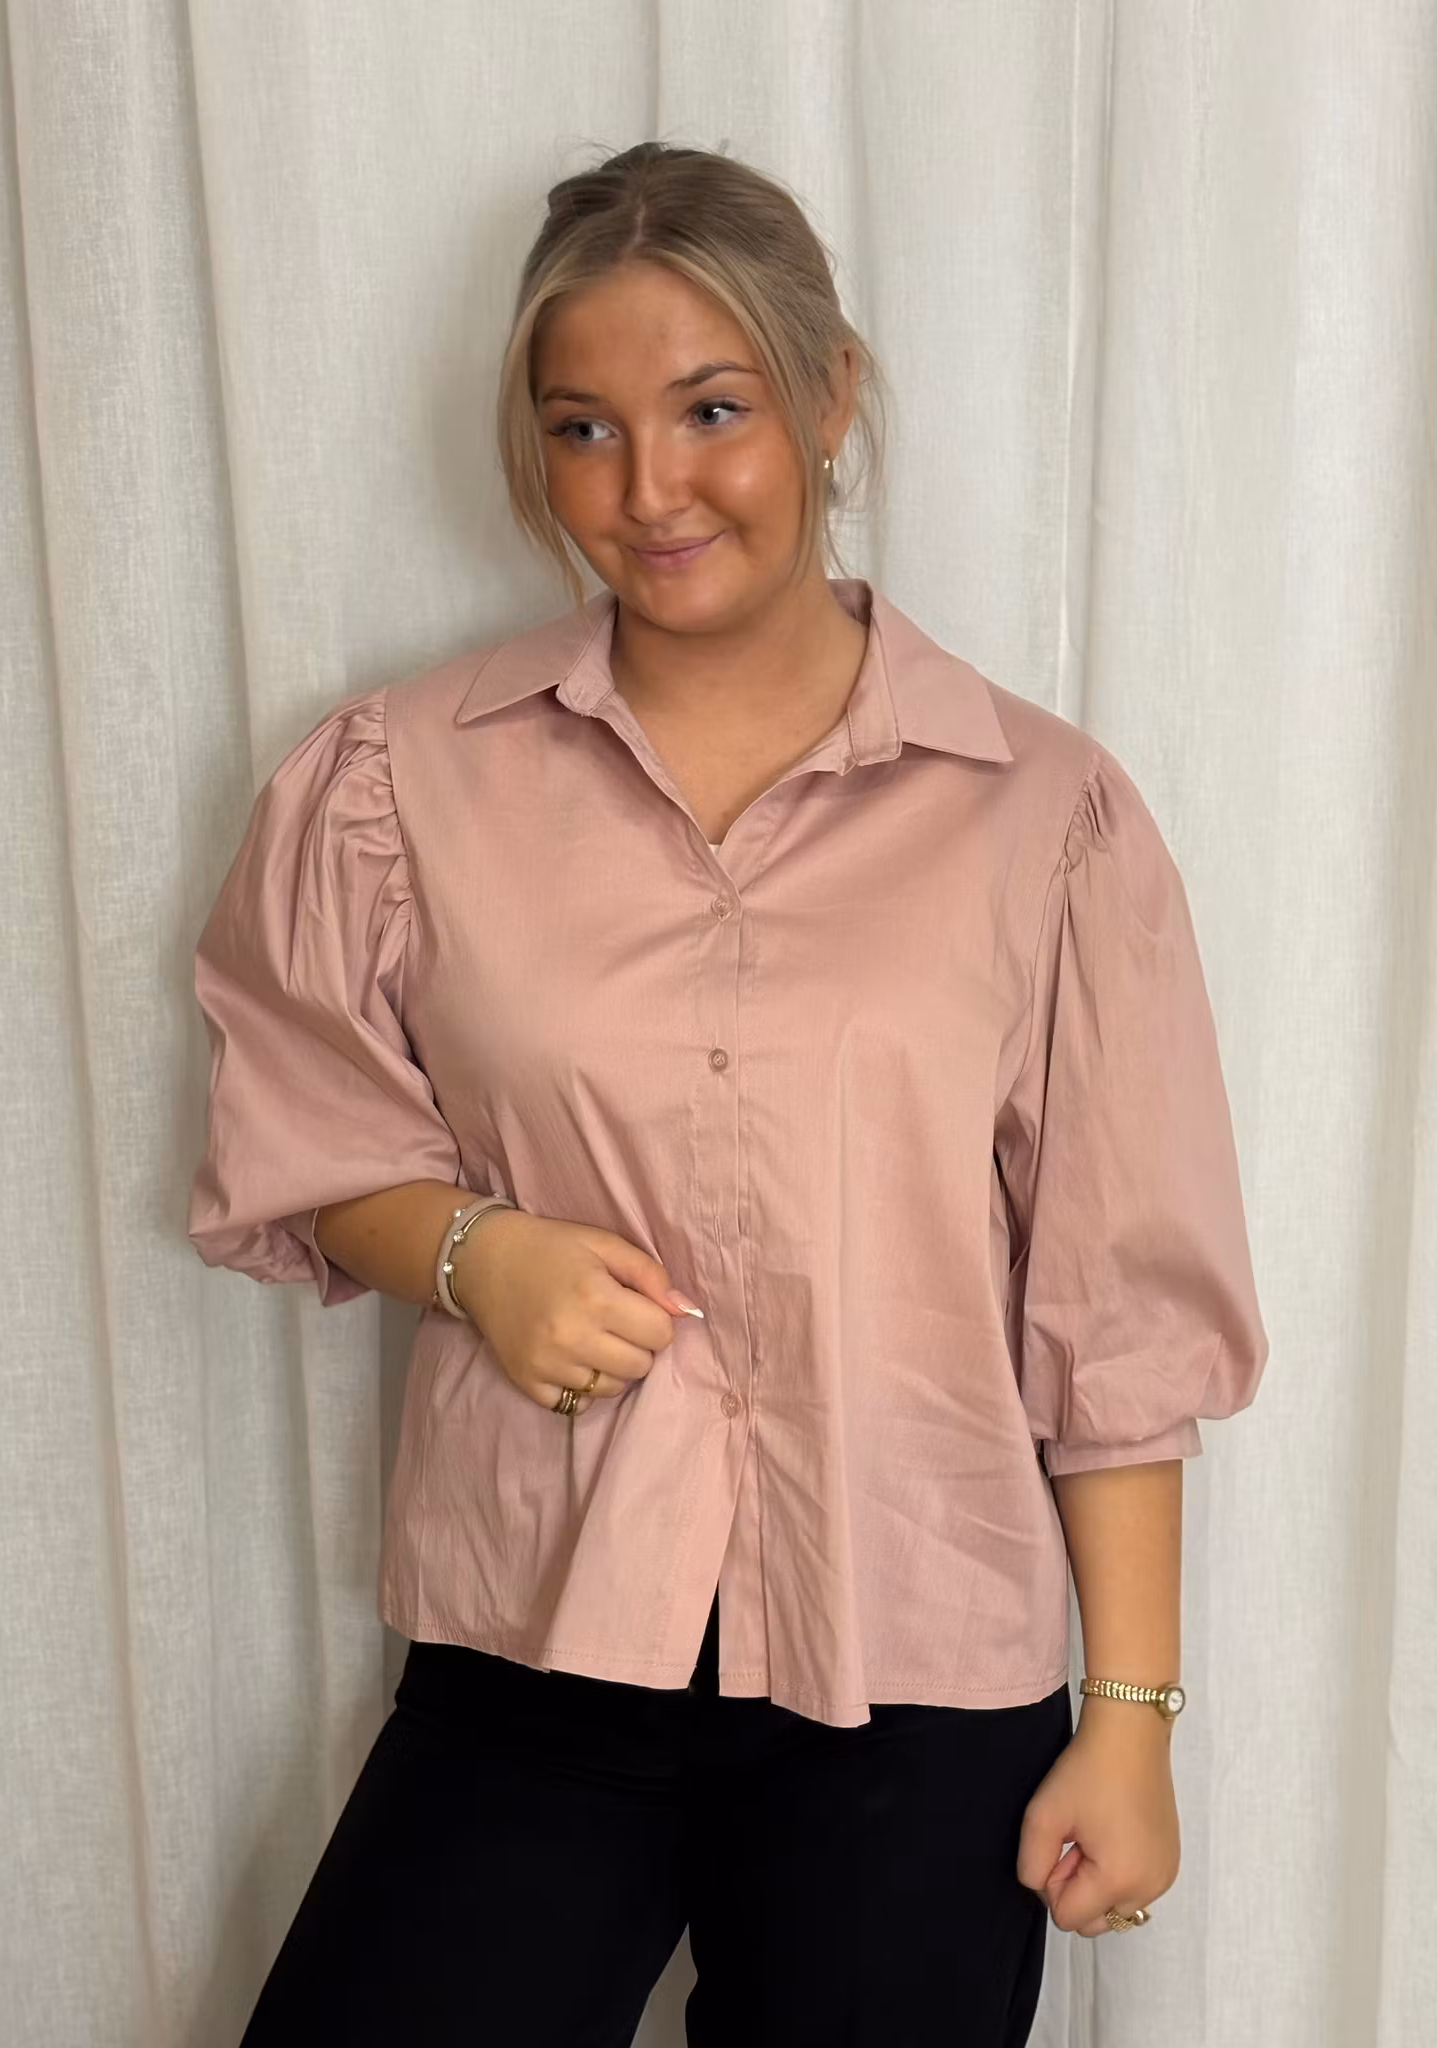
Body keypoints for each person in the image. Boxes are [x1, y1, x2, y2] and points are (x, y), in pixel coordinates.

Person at [186, 141, 1270, 2047]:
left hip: (919, 1681)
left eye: (710, 410)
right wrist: (473, 1253)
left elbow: (1113, 1318)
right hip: (542, 1638)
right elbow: (302, 1129)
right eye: (582, 430)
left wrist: (1132, 1722)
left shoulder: (1046, 819)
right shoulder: (397, 781)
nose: (649, 489)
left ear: (829, 397)